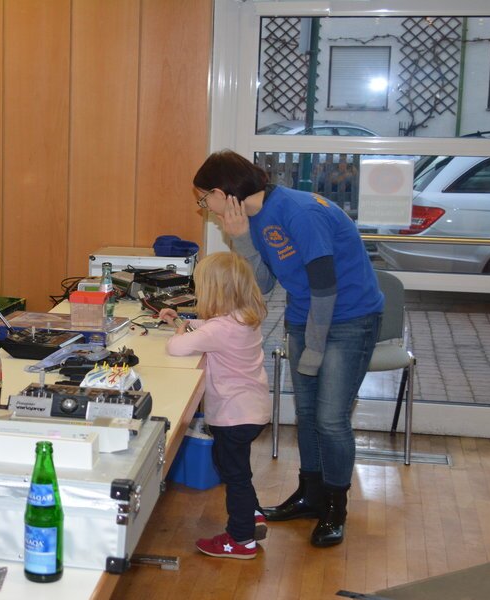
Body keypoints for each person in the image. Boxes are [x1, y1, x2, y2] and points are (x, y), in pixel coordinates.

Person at [192, 150, 383, 547]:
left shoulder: (299, 212)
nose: (205, 207)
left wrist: (314, 346)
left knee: (331, 419)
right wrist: (240, 237)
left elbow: (325, 287)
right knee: (308, 413)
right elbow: (262, 284)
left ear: (222, 192)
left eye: (204, 198)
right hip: (304, 317)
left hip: (349, 319)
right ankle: (310, 496)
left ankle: (335, 508)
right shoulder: (254, 219)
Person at [158, 252, 271, 560]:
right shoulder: (245, 318)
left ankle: (241, 539)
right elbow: (208, 328)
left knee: (234, 475)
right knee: (237, 469)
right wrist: (183, 320)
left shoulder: (220, 329)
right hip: (252, 410)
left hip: (233, 416)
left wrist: (179, 330)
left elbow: (177, 347)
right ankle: (253, 514)